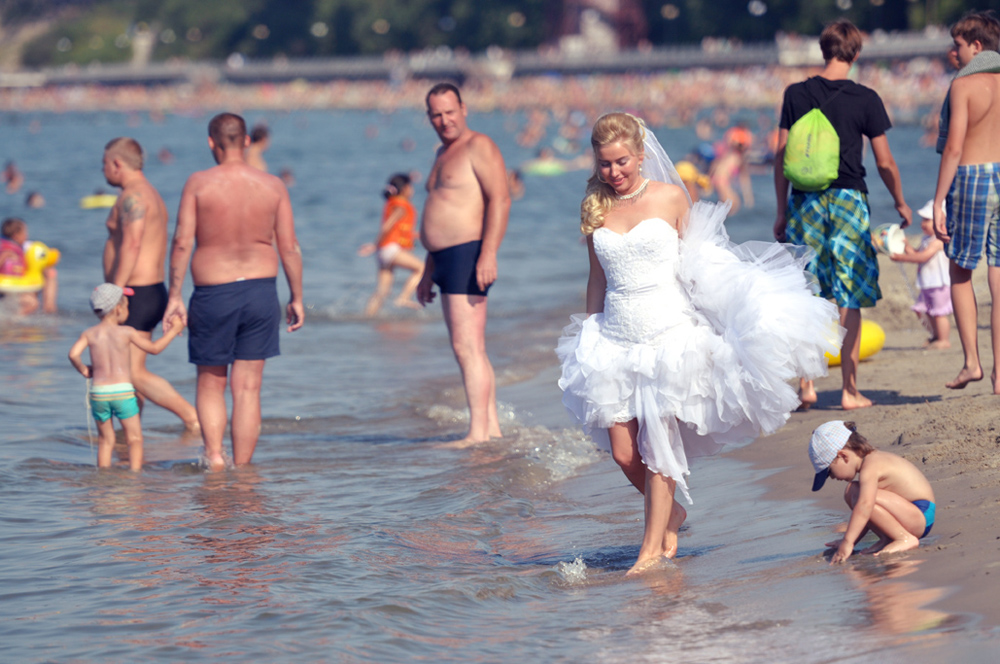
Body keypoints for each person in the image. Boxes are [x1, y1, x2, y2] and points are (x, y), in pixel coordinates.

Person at [557, 112, 841, 575]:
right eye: (605, 164)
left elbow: (698, 262)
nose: (614, 172)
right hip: (614, 336)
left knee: (658, 447)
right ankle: (673, 514)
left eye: (622, 161)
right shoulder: (596, 206)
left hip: (668, 333)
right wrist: (590, 331)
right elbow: (596, 277)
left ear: (641, 154)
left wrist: (727, 311)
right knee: (624, 452)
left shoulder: (671, 197)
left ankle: (649, 553)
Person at [774, 19, 912, 411]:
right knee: (849, 294)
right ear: (854, 53)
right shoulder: (866, 98)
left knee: (809, 290)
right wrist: (900, 201)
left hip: (805, 201)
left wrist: (782, 210)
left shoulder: (796, 94)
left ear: (824, 50)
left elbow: (781, 155)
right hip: (850, 198)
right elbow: (884, 161)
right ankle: (850, 390)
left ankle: (807, 387)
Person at [163, 112, 304, 470]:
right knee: (248, 388)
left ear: (211, 142)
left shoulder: (198, 183)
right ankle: (242, 470)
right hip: (261, 292)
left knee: (211, 383)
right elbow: (290, 247)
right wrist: (297, 296)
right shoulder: (273, 186)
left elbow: (181, 242)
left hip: (213, 293)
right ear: (245, 141)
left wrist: (174, 295)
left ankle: (214, 459)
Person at [416, 83, 511, 445]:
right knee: (470, 346)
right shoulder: (443, 152)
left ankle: (477, 433)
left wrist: (488, 253)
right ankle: (491, 428)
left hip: (468, 254)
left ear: (463, 109)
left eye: (449, 111)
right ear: (429, 117)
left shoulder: (478, 146)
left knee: (467, 346)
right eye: (436, 114)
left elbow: (500, 199)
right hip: (443, 258)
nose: (444, 120)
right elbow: (439, 212)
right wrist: (427, 271)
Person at [102, 137, 200, 432]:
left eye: (103, 164)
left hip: (134, 293)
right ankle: (132, 435)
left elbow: (131, 244)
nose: (103, 170)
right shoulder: (149, 193)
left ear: (117, 164)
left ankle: (193, 419)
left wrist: (114, 292)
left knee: (132, 372)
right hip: (145, 291)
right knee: (129, 371)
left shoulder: (135, 197)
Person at [932, 11, 1000, 392]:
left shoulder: (964, 85)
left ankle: (972, 362)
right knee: (999, 273)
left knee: (960, 270)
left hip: (973, 176)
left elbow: (954, 147)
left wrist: (939, 199)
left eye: (958, 45)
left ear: (976, 45)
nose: (953, 52)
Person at [68, 283, 185, 471]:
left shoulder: (89, 333)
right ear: (118, 309)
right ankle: (134, 477)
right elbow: (154, 349)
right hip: (122, 393)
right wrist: (173, 330)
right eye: (127, 305)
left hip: (99, 394)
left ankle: (103, 477)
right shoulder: (127, 332)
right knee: (135, 439)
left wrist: (83, 369)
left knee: (106, 440)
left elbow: (73, 354)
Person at [809, 420, 936, 563]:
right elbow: (868, 514)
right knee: (854, 493)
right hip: (911, 514)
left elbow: (865, 506)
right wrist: (852, 541)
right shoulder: (871, 460)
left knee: (855, 493)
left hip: (919, 514)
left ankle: (904, 538)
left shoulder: (870, 467)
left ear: (843, 456)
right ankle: (887, 537)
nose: (832, 477)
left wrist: (848, 541)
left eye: (829, 472)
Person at [358, 173, 424, 316]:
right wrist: (375, 244)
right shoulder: (401, 205)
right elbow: (387, 227)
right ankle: (404, 298)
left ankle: (367, 317)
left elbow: (398, 230)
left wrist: (418, 235)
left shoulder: (392, 203)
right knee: (421, 268)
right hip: (391, 249)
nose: (412, 191)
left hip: (383, 251)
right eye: (411, 187)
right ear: (405, 188)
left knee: (382, 291)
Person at [890, 200, 952, 349]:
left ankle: (943, 340)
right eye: (923, 220)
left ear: (942, 220)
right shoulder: (926, 239)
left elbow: (923, 257)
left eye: (927, 220)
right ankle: (935, 335)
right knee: (922, 310)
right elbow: (917, 254)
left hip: (939, 283)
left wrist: (902, 258)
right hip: (927, 282)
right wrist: (905, 246)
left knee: (938, 313)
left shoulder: (939, 240)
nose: (923, 223)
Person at [0, 217, 58, 314]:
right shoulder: (8, 251)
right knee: (32, 303)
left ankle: (48, 308)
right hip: (7, 287)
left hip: (13, 285)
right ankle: (14, 320)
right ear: (16, 236)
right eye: (25, 233)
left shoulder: (18, 247)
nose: (27, 235)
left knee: (50, 272)